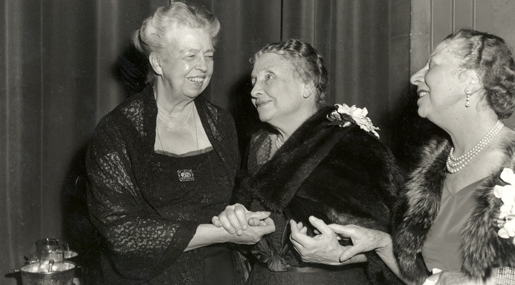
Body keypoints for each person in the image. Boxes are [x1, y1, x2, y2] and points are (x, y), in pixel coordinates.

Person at [291, 29, 515, 285]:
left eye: (432, 65)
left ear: (471, 81)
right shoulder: (433, 170)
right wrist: (379, 243)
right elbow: (424, 279)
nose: (415, 77)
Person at [85, 3, 274, 284]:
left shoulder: (220, 123)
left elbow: (237, 197)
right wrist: (223, 232)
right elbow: (123, 236)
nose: (203, 67)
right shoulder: (118, 131)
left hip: (219, 274)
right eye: (190, 55)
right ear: (158, 62)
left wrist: (240, 212)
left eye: (208, 55)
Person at [212, 39, 403, 284]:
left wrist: (346, 255)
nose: (254, 91)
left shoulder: (352, 144)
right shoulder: (259, 144)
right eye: (253, 81)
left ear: (307, 85)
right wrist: (236, 215)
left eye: (269, 77)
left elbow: (394, 242)